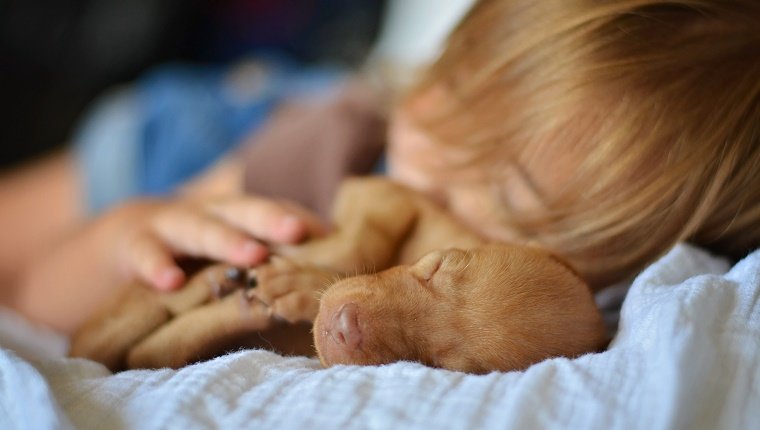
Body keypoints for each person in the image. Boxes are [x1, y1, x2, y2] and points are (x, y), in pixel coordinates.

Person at [5, 0, 760, 336]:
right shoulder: (335, 147)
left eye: (507, 189)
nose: (426, 130)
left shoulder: (570, 318)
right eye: (453, 83)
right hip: (203, 134)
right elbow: (33, 302)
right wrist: (122, 242)